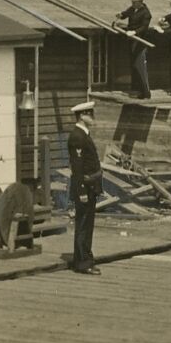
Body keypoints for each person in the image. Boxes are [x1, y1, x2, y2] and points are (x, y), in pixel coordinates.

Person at [66, 101, 102, 274]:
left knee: (87, 225)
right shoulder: (77, 137)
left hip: (91, 186)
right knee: (83, 225)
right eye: (90, 114)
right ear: (81, 116)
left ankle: (85, 258)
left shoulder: (84, 135)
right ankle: (82, 263)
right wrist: (81, 192)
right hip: (84, 187)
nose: (93, 118)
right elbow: (77, 167)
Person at [117, 0, 152, 99]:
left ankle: (145, 93)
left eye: (134, 2)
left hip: (140, 40)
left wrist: (135, 32)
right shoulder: (133, 9)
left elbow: (144, 27)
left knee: (140, 66)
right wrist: (121, 15)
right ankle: (136, 90)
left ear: (140, 2)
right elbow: (126, 13)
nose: (132, 4)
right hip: (132, 39)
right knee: (134, 65)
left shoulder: (146, 13)